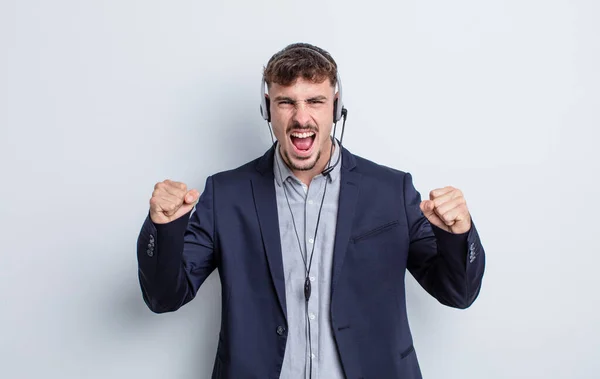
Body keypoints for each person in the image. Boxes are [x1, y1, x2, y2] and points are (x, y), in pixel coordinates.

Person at [136, 42, 486, 379]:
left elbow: (458, 292)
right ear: (266, 107)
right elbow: (165, 297)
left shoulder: (390, 191)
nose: (301, 117)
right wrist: (164, 229)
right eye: (286, 102)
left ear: (335, 105)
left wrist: (457, 235)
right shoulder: (226, 194)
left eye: (315, 101)